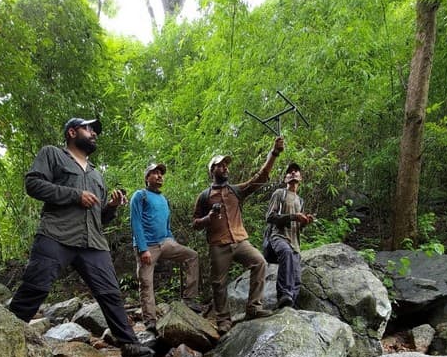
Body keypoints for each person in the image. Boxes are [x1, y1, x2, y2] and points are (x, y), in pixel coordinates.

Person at [9, 117, 153, 357]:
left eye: (95, 130)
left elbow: (100, 218)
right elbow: (32, 184)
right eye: (88, 128)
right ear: (72, 132)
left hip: (93, 243)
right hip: (56, 234)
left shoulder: (97, 176)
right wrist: (75, 195)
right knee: (35, 288)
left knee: (110, 293)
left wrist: (111, 206)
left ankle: (129, 345)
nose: (94, 133)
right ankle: (4, 334)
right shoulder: (52, 154)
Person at [192, 136, 285, 335]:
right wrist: (208, 218)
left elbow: (259, 178)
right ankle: (223, 320)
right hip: (218, 244)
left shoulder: (236, 191)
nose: (225, 167)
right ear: (212, 171)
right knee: (218, 283)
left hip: (240, 240)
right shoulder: (204, 196)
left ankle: (253, 308)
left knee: (259, 262)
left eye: (226, 165)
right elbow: (195, 224)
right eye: (220, 165)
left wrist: (273, 153)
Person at [130, 163, 201, 334]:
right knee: (146, 282)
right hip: (148, 245)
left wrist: (172, 241)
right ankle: (150, 320)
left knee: (192, 256)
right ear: (147, 178)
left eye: (161, 173)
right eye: (155, 173)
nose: (159, 176)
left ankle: (189, 298)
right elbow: (136, 222)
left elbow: (167, 225)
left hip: (166, 242)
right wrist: (142, 248)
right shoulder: (140, 196)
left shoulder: (164, 199)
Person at [263, 162, 315, 308]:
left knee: (297, 276)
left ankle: (289, 305)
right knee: (285, 253)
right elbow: (270, 217)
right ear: (285, 178)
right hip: (278, 236)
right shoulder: (279, 194)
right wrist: (293, 216)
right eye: (289, 172)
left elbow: (299, 227)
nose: (293, 173)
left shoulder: (300, 201)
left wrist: (305, 222)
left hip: (295, 242)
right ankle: (284, 295)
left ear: (301, 178)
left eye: (296, 171)